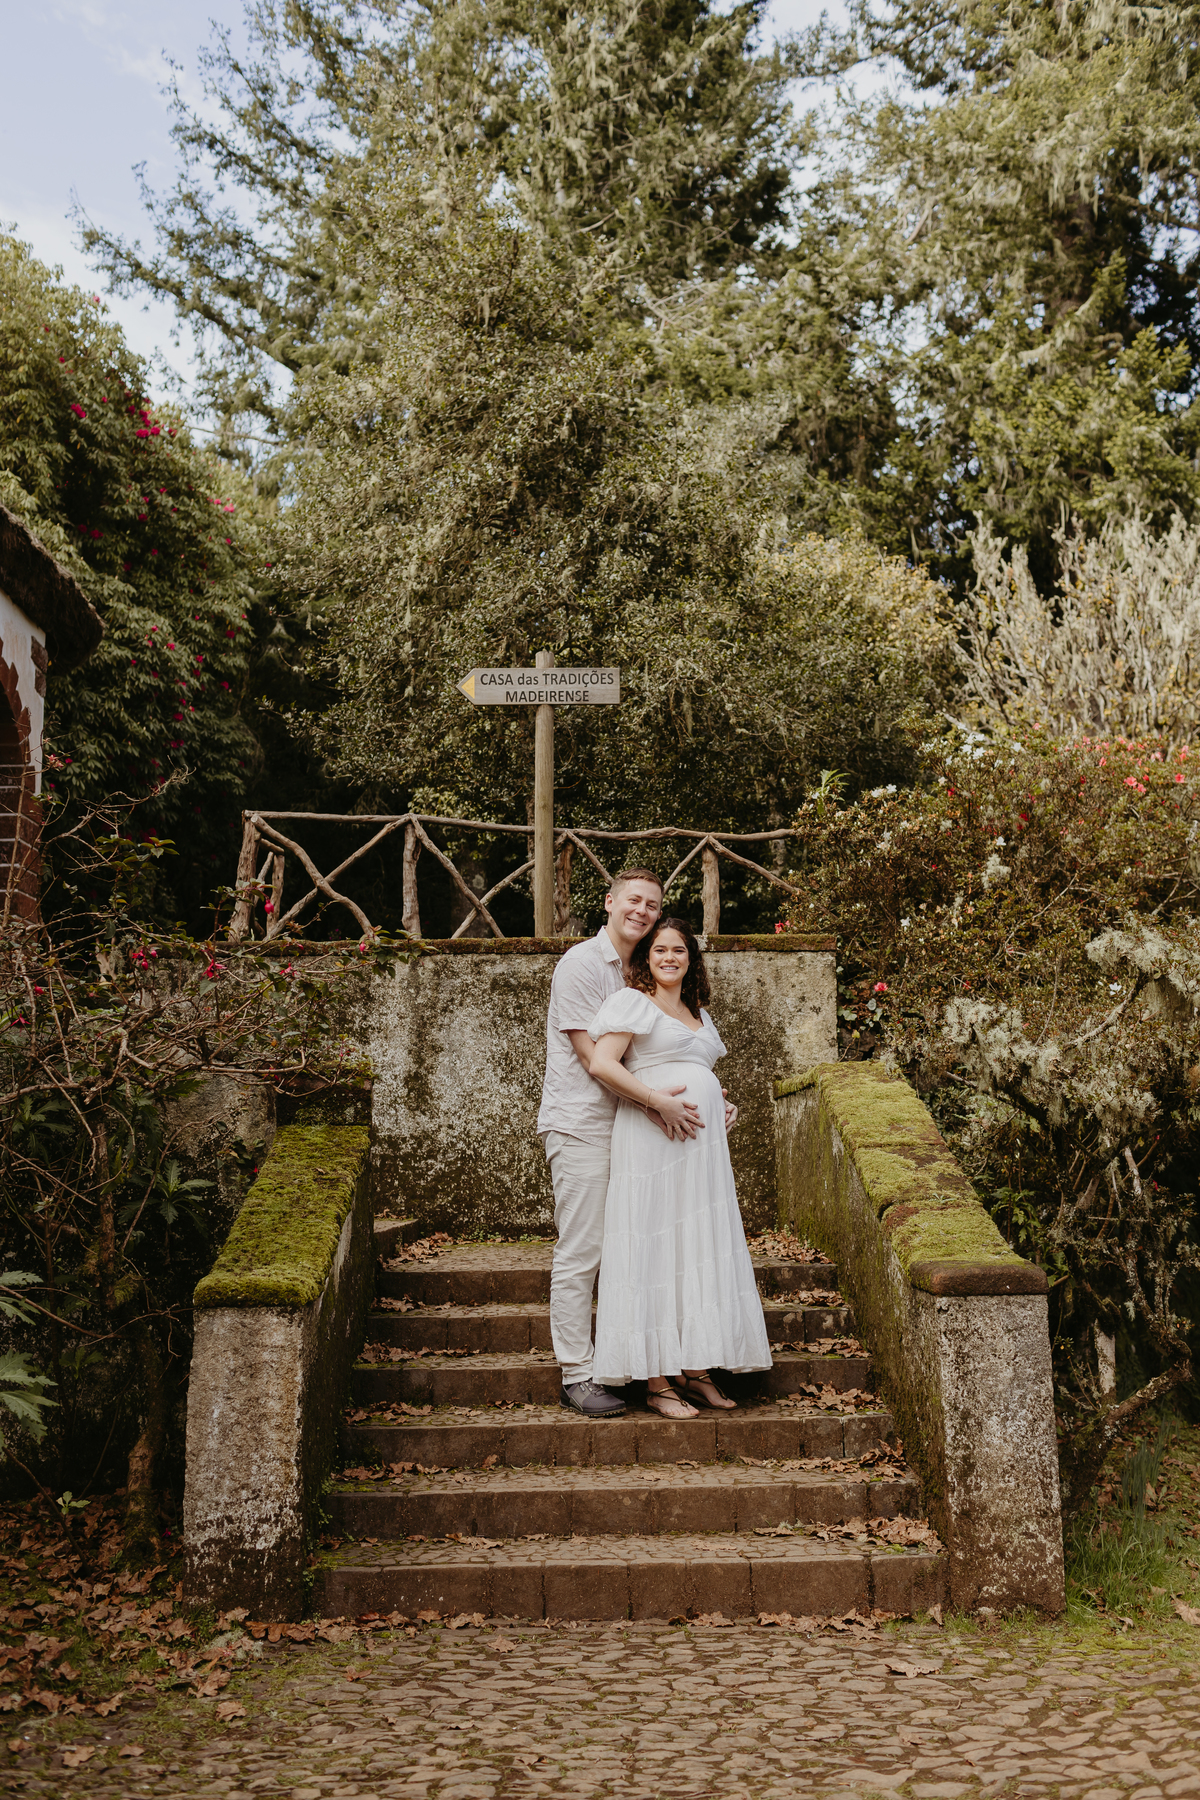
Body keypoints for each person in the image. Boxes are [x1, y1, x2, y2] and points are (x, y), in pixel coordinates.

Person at [586, 916, 771, 1416]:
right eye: (660, 949)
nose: (669, 957)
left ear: (692, 959)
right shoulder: (631, 1002)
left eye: (679, 951)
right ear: (646, 957)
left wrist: (720, 1103)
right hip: (652, 1139)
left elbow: (699, 1073)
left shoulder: (698, 1012)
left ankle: (694, 1369)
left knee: (695, 1248)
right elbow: (603, 1064)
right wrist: (658, 1102)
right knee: (656, 1246)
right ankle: (657, 1380)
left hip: (700, 1153)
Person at [537, 869, 704, 1417]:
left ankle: (630, 1364)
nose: (642, 911)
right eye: (633, 900)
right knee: (583, 1252)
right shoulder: (582, 965)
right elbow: (595, 1061)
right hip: (583, 1124)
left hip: (634, 1132)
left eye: (652, 905)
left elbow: (659, 1052)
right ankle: (577, 1374)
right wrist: (659, 1102)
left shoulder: (644, 968)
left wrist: (706, 1095)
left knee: (636, 1251)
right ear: (610, 902)